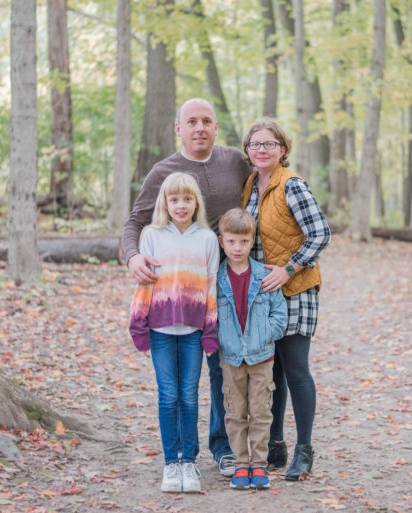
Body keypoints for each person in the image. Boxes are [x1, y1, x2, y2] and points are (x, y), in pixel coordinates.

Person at [122, 98, 251, 476]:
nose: (200, 128)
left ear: (215, 127)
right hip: (184, 294)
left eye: (206, 121)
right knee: (192, 375)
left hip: (233, 283)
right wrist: (133, 257)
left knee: (225, 368)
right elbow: (136, 222)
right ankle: (186, 455)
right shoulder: (164, 171)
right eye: (191, 121)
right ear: (178, 128)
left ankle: (224, 445)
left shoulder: (235, 162)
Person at [240, 119, 331, 481]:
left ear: (283, 149)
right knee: (271, 371)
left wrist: (289, 269)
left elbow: (321, 233)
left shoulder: (291, 185)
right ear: (247, 150)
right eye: (255, 144)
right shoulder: (249, 186)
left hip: (295, 288)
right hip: (264, 293)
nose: (261, 149)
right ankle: (274, 446)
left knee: (295, 368)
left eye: (269, 144)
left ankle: (304, 451)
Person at [129, 172, 220, 493]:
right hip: (160, 330)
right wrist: (138, 324)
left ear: (196, 203)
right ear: (164, 203)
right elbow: (143, 287)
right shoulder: (152, 236)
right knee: (169, 396)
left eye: (187, 199)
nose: (180, 205)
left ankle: (189, 462)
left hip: (194, 331)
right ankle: (172, 463)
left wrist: (210, 332)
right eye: (174, 199)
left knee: (190, 395)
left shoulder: (208, 239)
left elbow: (210, 287)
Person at [215, 208, 287, 490]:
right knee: (234, 412)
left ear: (252, 240)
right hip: (230, 358)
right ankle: (240, 465)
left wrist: (265, 336)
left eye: (243, 242)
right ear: (222, 241)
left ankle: (259, 465)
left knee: (260, 412)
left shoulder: (263, 275)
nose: (237, 247)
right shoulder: (217, 278)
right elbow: (211, 315)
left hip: (261, 357)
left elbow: (279, 315)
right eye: (231, 241)